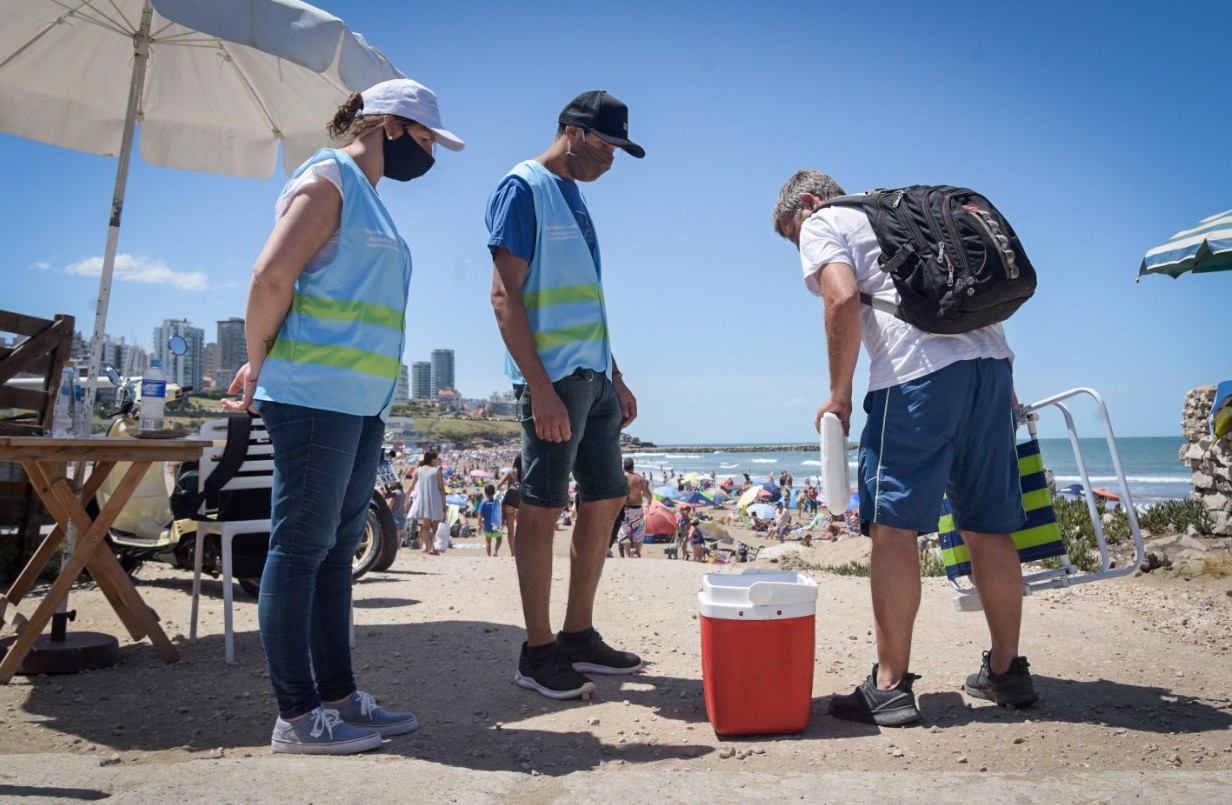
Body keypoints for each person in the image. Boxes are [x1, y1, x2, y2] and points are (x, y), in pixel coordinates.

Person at [222, 78, 465, 754]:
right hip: (315, 396)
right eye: (424, 140)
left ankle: (338, 696)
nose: (430, 156)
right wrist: (258, 358)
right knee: (299, 548)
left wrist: (261, 353)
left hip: (358, 403)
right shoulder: (328, 178)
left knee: (334, 553)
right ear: (388, 126)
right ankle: (297, 718)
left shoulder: (368, 198)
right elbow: (272, 276)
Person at [772, 169, 1037, 727]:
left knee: (893, 529)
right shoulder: (896, 214)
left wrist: (839, 394)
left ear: (809, 203)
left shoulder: (825, 219)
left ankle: (889, 685)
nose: (800, 251)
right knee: (988, 526)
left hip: (915, 379)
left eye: (793, 236)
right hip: (992, 370)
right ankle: (1007, 672)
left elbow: (842, 298)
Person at [486, 90, 646, 700]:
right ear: (573, 133)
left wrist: (617, 373)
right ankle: (537, 650)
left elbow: (588, 299)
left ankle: (578, 634)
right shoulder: (522, 187)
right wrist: (538, 387)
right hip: (552, 378)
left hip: (594, 377)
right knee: (542, 506)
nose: (611, 162)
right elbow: (505, 296)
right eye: (607, 147)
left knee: (607, 498)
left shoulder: (573, 196)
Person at [407, 452, 447, 555]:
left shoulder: (418, 470)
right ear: (432, 460)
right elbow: (442, 489)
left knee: (425, 526)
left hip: (422, 500)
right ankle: (432, 547)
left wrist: (407, 500)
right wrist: (444, 504)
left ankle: (429, 548)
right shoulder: (437, 471)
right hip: (435, 500)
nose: (438, 460)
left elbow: (411, 486)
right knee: (435, 525)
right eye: (437, 458)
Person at [614, 458, 650, 558]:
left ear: (624, 466)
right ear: (633, 466)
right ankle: (637, 553)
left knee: (624, 531)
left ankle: (627, 555)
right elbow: (647, 493)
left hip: (623, 508)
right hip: (637, 509)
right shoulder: (639, 478)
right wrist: (650, 501)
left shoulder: (619, 478)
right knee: (638, 531)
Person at [497, 455, 522, 557]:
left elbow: (499, 484)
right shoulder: (528, 471)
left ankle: (513, 553)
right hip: (522, 504)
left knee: (511, 529)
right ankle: (521, 551)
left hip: (509, 504)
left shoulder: (511, 472)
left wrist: (502, 492)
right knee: (521, 528)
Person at [478, 484, 503, 556]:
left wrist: (479, 525)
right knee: (499, 539)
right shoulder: (498, 501)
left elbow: (480, 515)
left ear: (485, 492)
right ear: (494, 492)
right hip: (497, 524)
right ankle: (495, 552)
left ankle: (488, 556)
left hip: (487, 525)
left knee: (488, 541)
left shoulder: (483, 502)